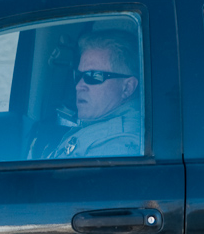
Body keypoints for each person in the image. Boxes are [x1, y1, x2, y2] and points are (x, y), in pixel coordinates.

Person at [50, 30, 142, 159]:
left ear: (127, 88)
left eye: (93, 76)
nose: (78, 86)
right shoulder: (101, 127)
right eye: (78, 75)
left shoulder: (116, 145)